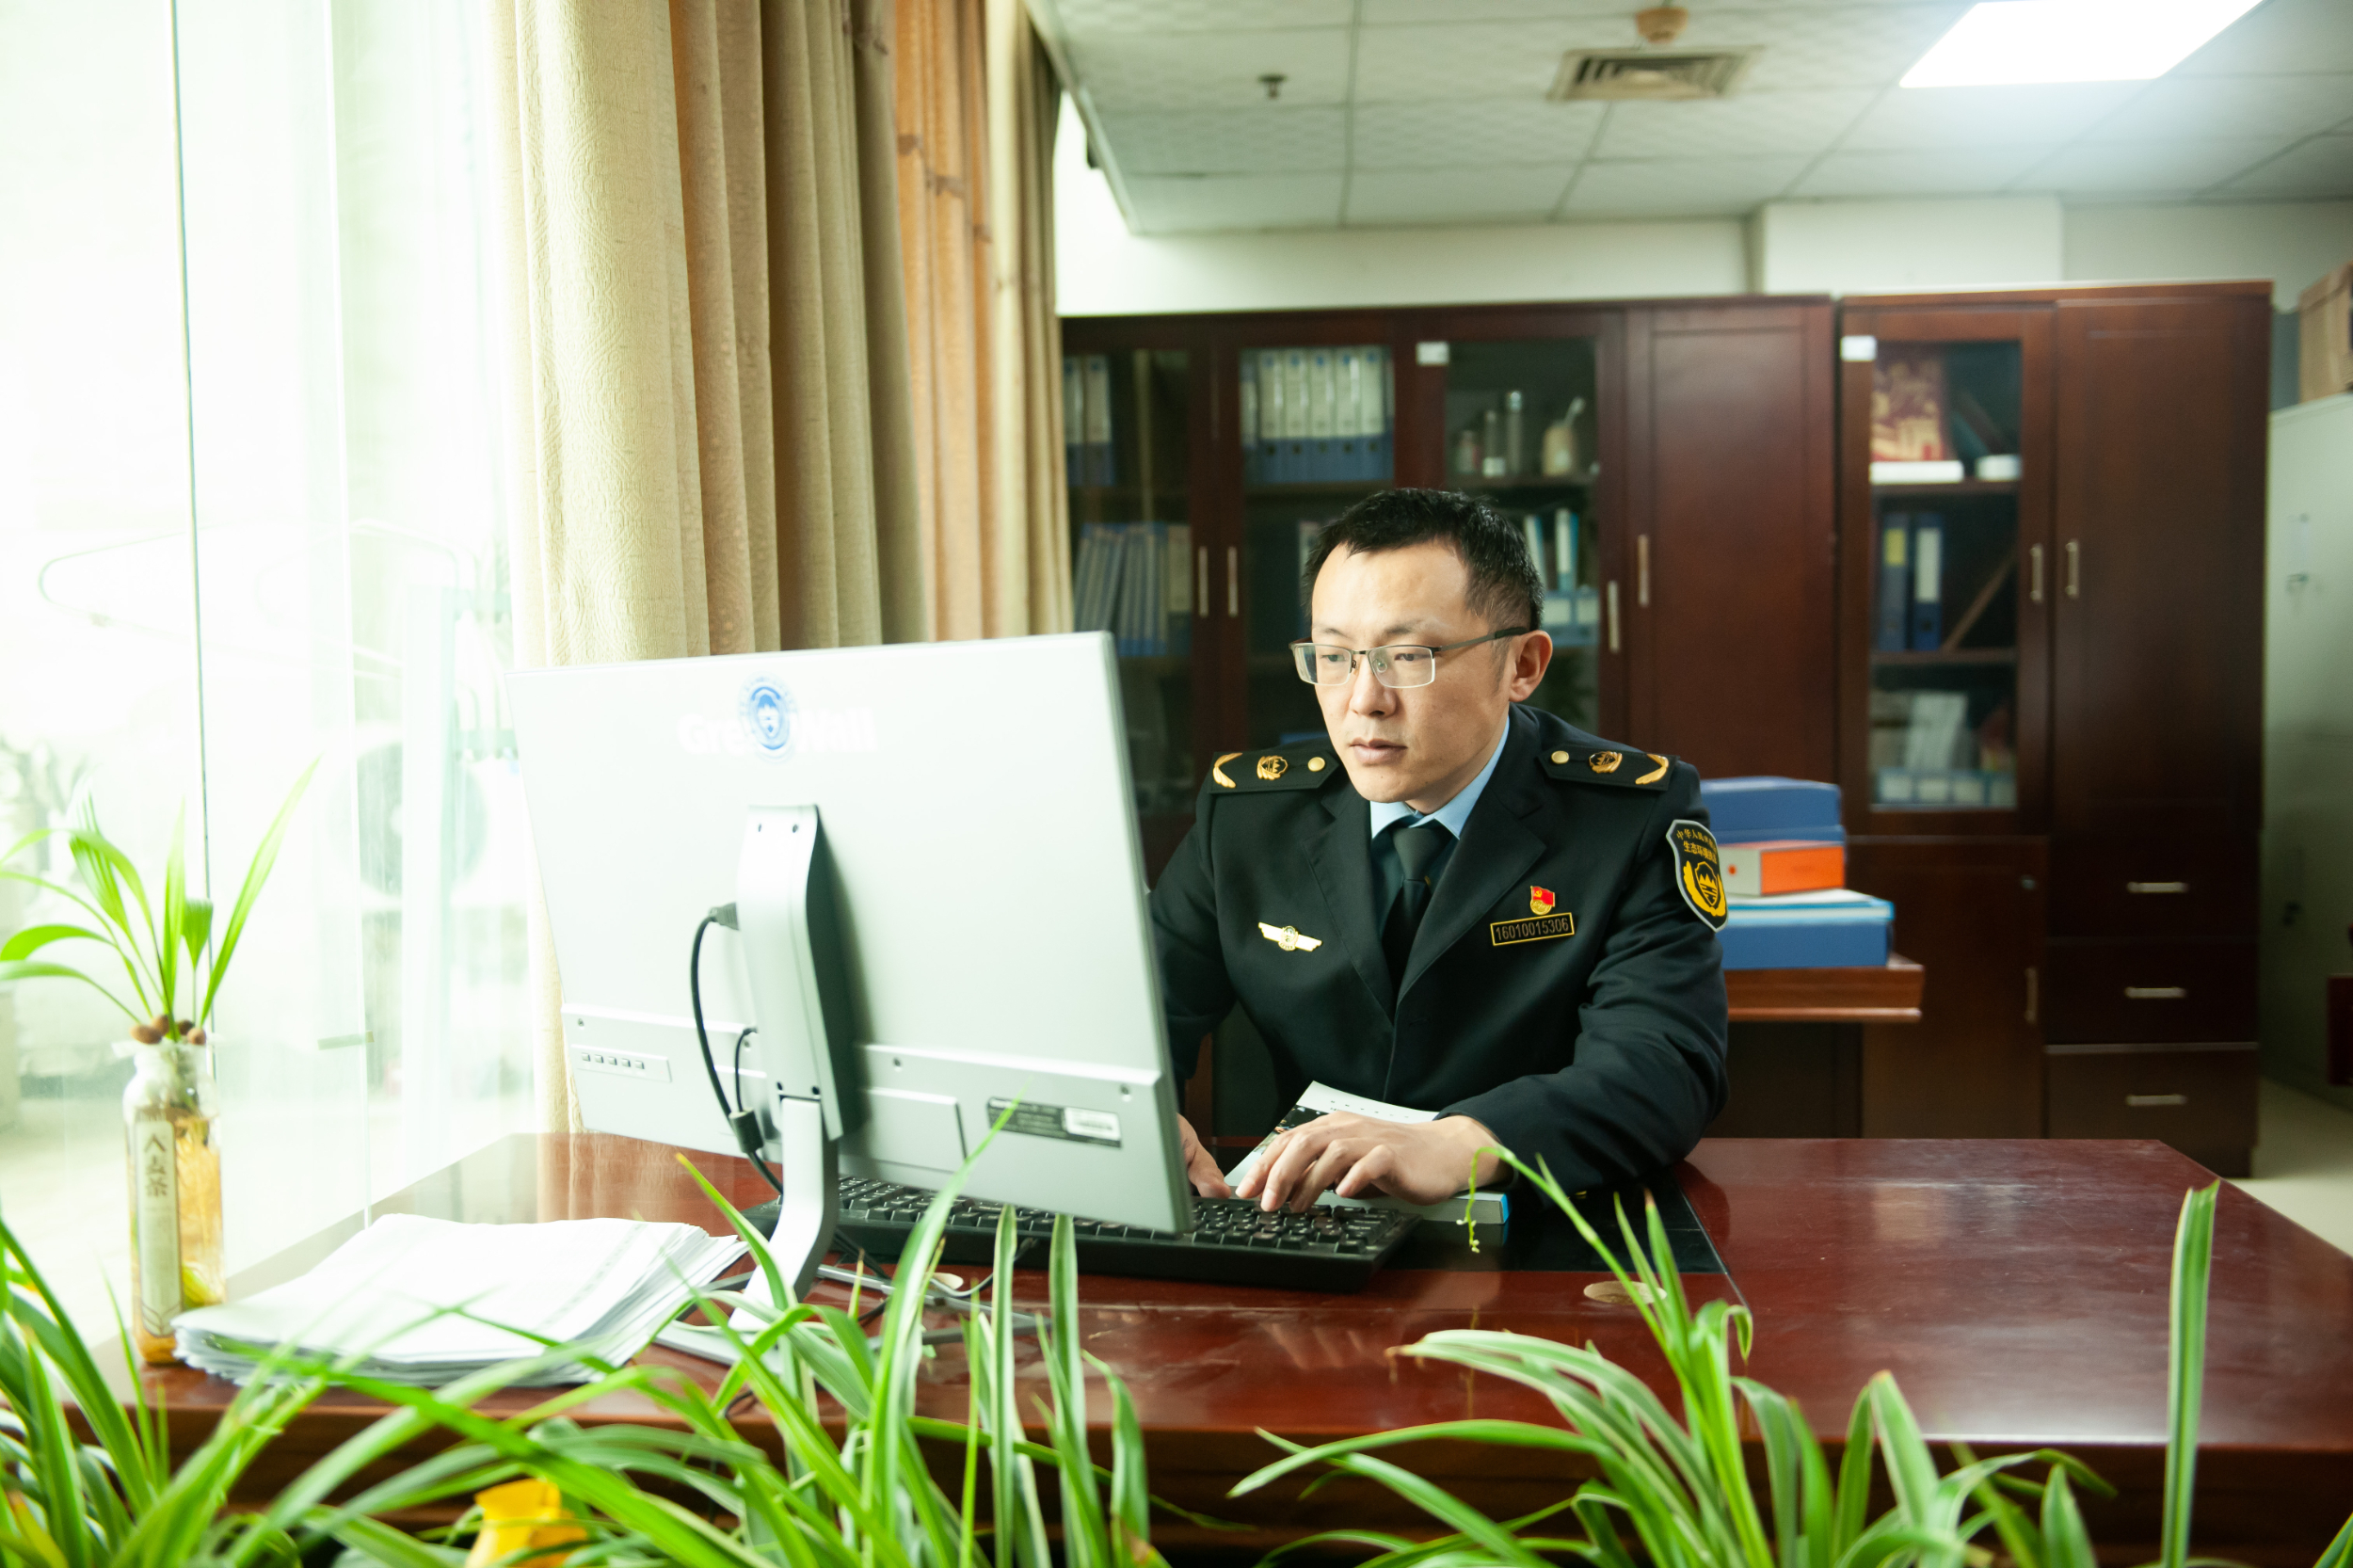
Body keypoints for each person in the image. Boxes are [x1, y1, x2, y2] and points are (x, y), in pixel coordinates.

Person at [1148, 488, 1729, 1213]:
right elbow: (1139, 1020)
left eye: (1408, 656)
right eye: (1334, 656)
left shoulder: (1626, 818)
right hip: (1302, 1219)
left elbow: (1665, 1066)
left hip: (1550, 1230)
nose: (1364, 699)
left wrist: (1460, 1144)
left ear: (1522, 664)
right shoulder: (1249, 816)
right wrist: (1144, 1119)